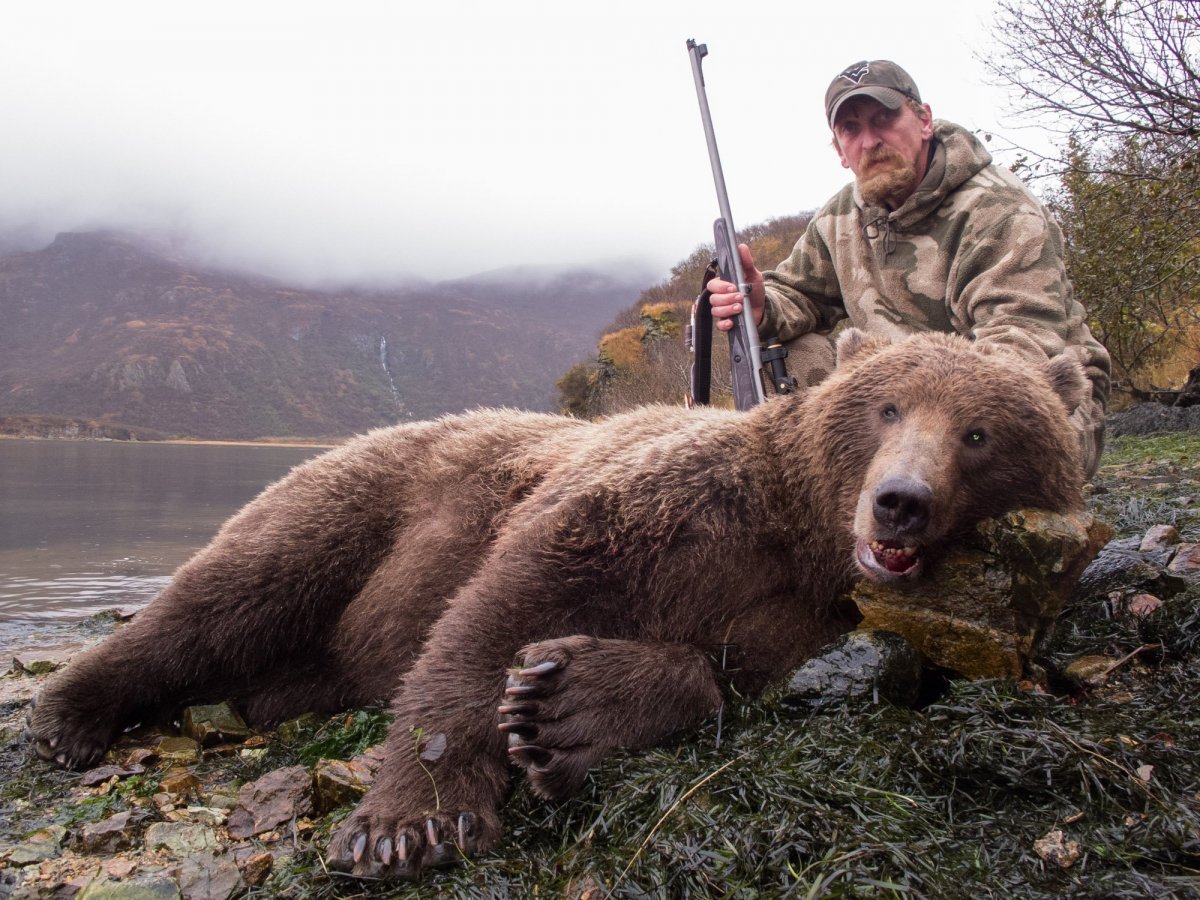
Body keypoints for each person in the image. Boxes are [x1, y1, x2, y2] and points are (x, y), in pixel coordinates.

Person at [707, 60, 1111, 476]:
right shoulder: (840, 216)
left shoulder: (1000, 209)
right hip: (900, 404)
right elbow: (800, 293)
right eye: (852, 129)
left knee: (1009, 448)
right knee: (784, 355)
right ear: (840, 151)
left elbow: (1021, 345)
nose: (870, 140)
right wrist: (761, 304)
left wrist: (914, 419)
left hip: (1012, 400)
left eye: (884, 118)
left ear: (923, 121)